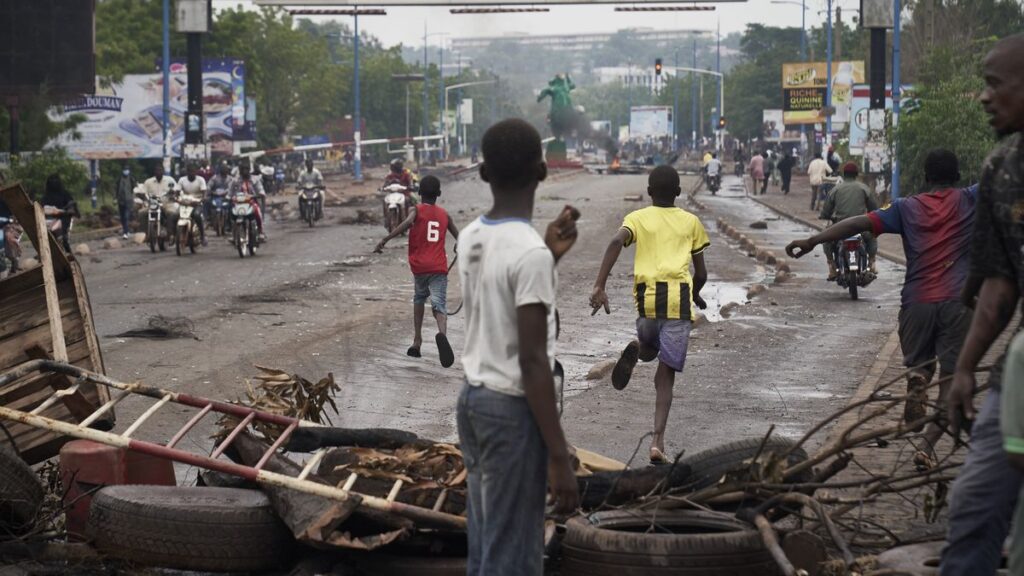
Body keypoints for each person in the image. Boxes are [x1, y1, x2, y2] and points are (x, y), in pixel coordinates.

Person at [787, 149, 977, 455]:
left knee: (920, 366)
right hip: (958, 302)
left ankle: (917, 378)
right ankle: (926, 447)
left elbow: (857, 223)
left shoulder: (906, 207)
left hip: (917, 303)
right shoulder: (971, 199)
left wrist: (813, 241)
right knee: (952, 379)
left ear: (926, 178)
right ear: (957, 176)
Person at [456, 118, 579, 575]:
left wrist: (549, 256)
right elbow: (530, 362)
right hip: (510, 409)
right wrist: (560, 456)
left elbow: (495, 308)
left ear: (484, 173)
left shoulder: (471, 237)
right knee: (513, 557)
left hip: (472, 401)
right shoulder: (528, 253)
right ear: (543, 171)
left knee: (487, 543)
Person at [940, 34, 1024, 576]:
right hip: (1016, 373)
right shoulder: (1003, 168)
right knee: (973, 504)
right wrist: (965, 369)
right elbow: (998, 286)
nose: (984, 98)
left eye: (995, 85)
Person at [590, 165, 710, 464]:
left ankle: (639, 348)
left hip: (647, 299)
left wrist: (600, 285)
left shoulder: (637, 218)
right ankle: (657, 441)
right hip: (678, 301)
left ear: (649, 191)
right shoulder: (691, 221)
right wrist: (695, 292)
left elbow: (616, 241)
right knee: (665, 374)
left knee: (649, 346)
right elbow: (702, 272)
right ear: (679, 192)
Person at [374, 175, 460, 368]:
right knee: (439, 304)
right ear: (438, 194)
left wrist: (385, 239)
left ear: (420, 193)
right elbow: (459, 236)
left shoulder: (416, 209)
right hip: (438, 267)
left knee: (420, 298)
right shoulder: (445, 215)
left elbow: (406, 223)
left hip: (420, 267)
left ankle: (417, 341)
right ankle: (442, 335)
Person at [818, 162, 879, 279]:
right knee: (872, 236)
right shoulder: (864, 188)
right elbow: (874, 209)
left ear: (844, 174)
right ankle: (872, 263)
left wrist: (824, 215)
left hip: (840, 228)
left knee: (826, 239)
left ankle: (831, 266)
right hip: (861, 226)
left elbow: (826, 211)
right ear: (856, 174)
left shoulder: (835, 189)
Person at [40, 174, 79, 253]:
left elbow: (72, 208)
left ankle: (67, 251)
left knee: (62, 237)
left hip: (63, 219)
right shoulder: (45, 197)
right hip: (47, 221)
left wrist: (64, 211)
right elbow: (41, 209)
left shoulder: (65, 194)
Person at [229, 163, 266, 241]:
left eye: (246, 169)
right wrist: (229, 197)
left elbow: (260, 189)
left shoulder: (255, 179)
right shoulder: (235, 180)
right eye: (243, 169)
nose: (245, 171)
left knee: (257, 213)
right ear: (240, 171)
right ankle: (234, 234)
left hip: (252, 202)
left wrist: (260, 193)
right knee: (232, 215)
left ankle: (260, 232)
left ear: (249, 170)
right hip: (238, 203)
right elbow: (230, 191)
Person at [177, 163, 208, 246]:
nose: (191, 173)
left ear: (196, 172)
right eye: (190, 171)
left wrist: (203, 198)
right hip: (185, 202)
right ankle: (173, 235)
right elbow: (177, 192)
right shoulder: (181, 180)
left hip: (197, 203)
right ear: (187, 172)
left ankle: (202, 236)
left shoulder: (201, 180)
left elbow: (204, 192)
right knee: (175, 214)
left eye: (193, 171)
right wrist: (175, 197)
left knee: (197, 215)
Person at [115, 165, 136, 239]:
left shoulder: (131, 178)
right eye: (124, 169)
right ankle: (126, 230)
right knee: (122, 217)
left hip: (128, 200)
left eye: (127, 169)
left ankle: (125, 232)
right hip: (120, 200)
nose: (125, 171)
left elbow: (133, 188)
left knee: (126, 216)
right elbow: (117, 189)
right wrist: (115, 198)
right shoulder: (119, 178)